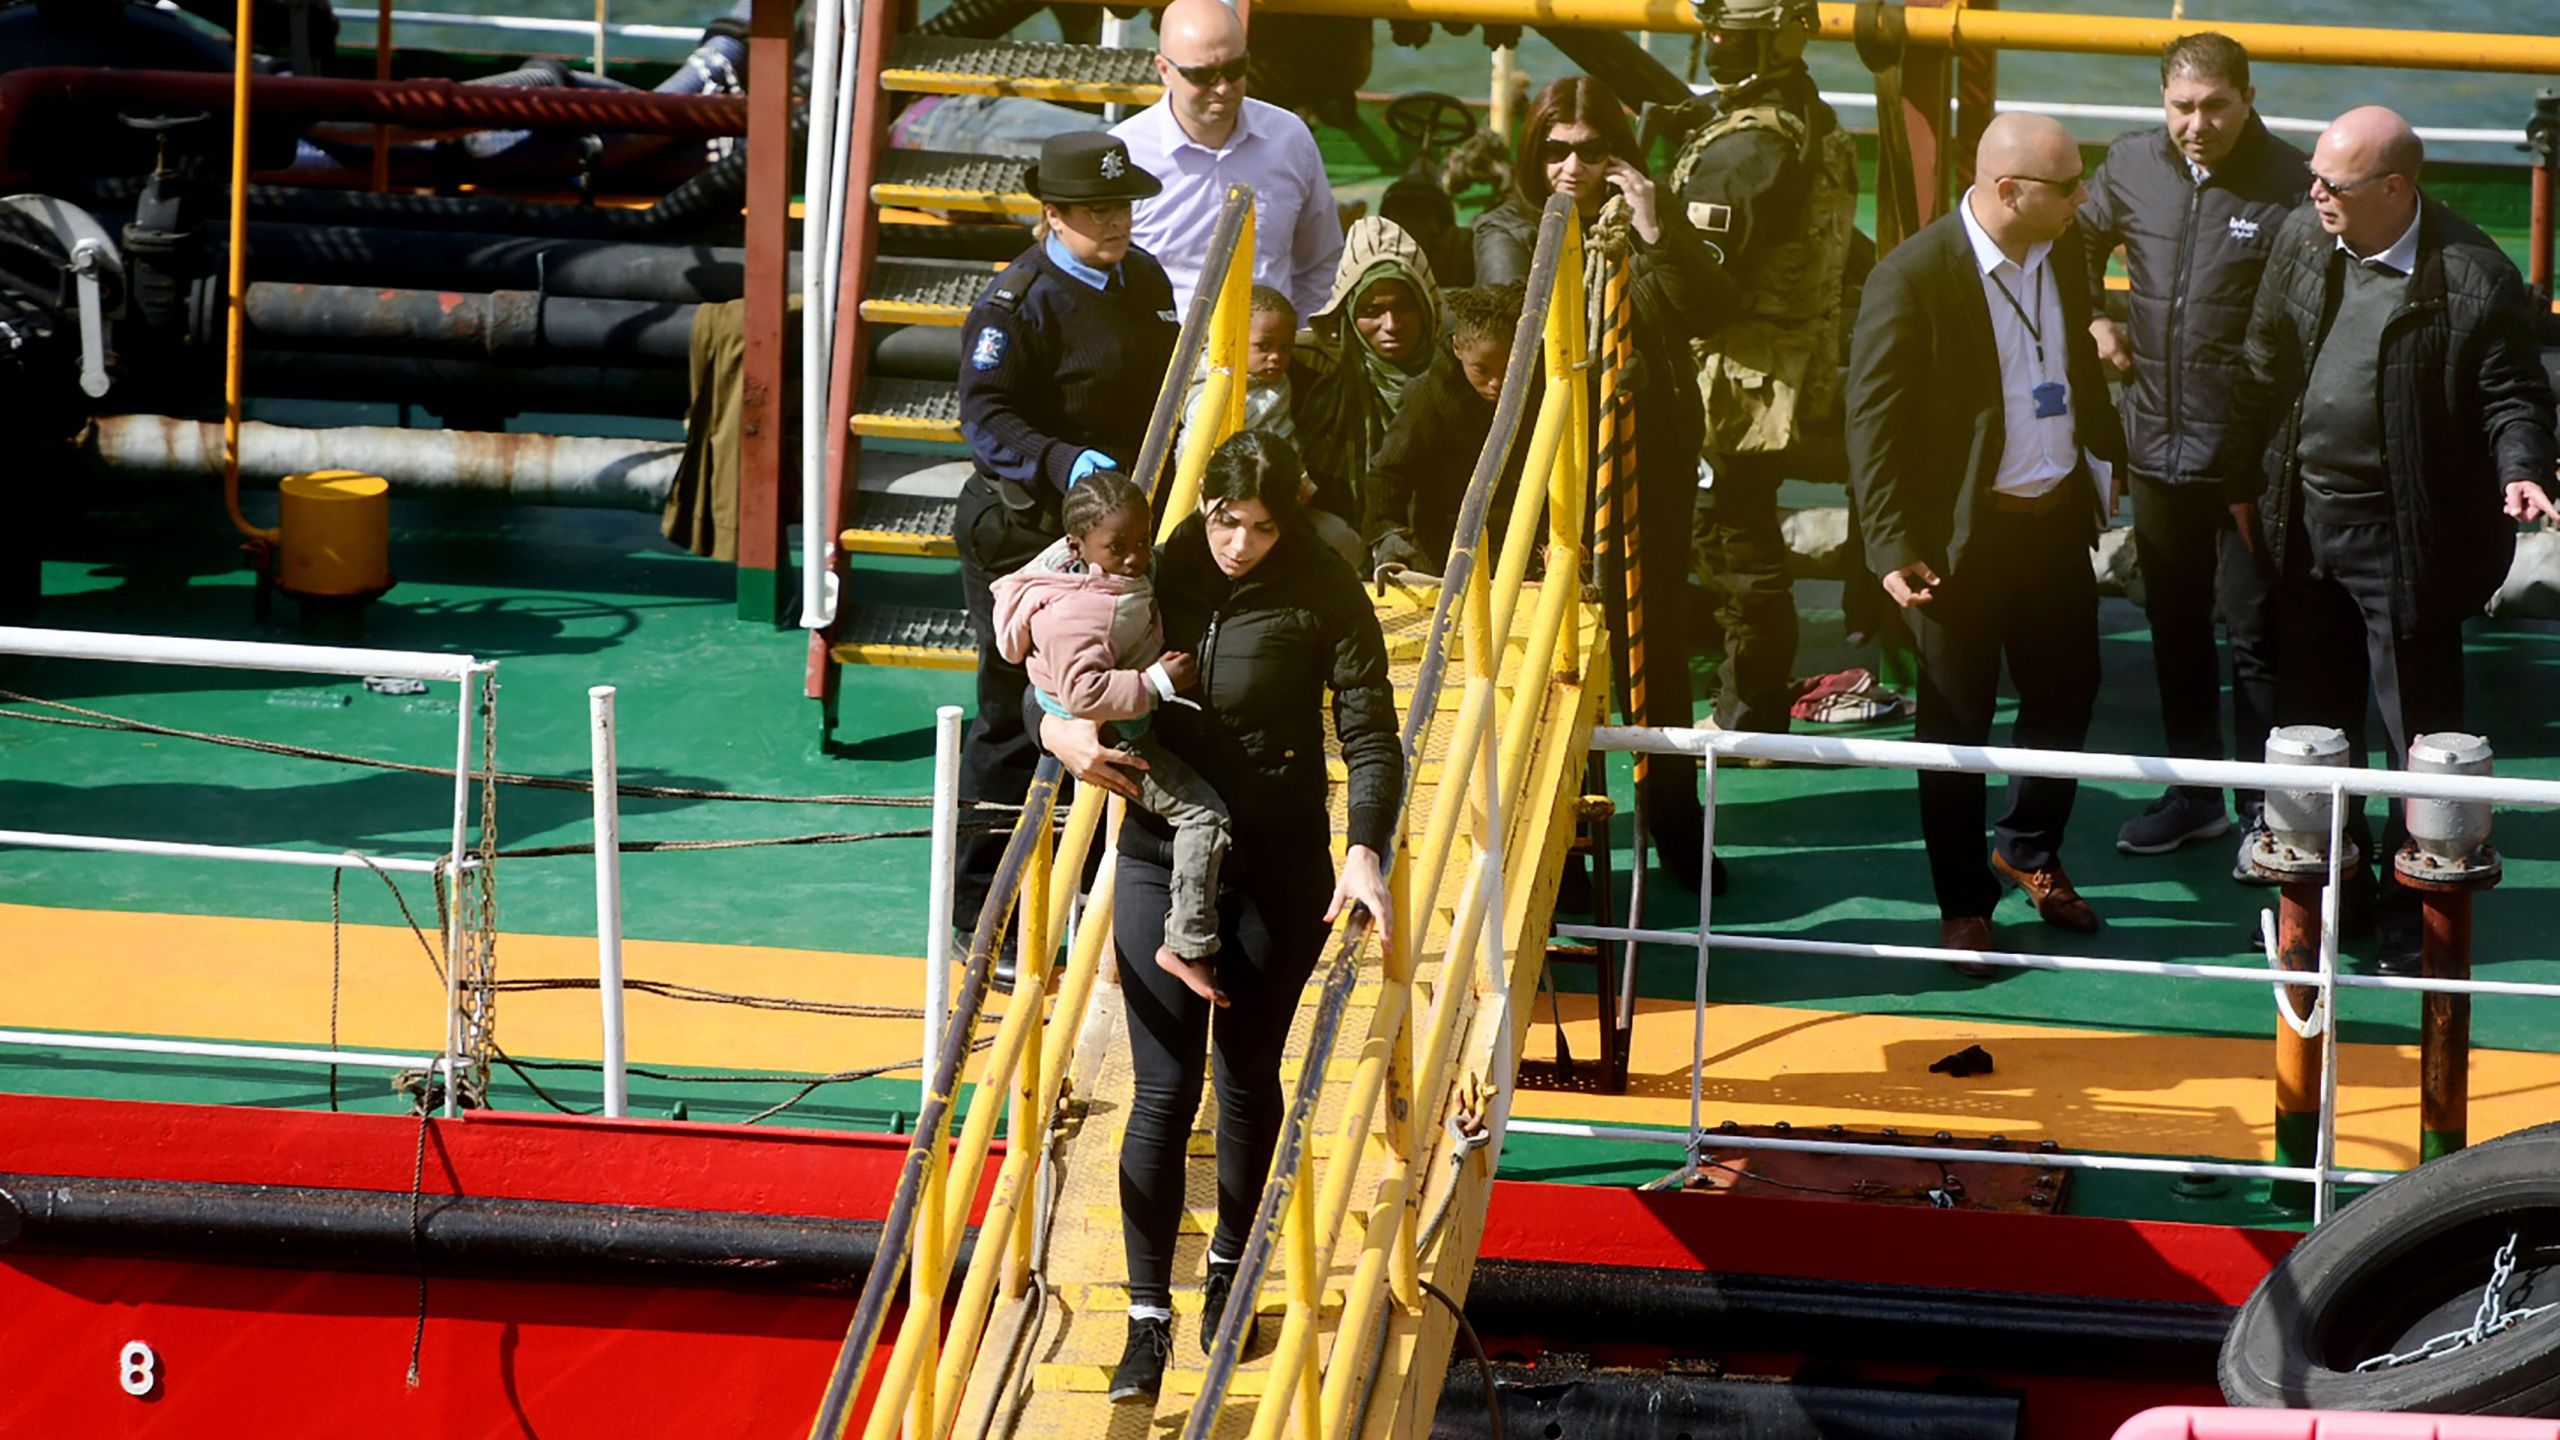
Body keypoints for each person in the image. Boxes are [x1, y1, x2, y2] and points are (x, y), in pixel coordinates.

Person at [1033, 431, 1401, 1404]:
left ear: (1291, 518)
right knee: (1161, 1092)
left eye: (1261, 526)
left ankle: (1232, 1275)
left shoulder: (1324, 590)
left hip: (1277, 867)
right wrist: (1056, 729)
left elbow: (1370, 731)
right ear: (1200, 511)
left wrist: (1365, 845)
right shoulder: (1146, 565)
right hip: (1160, 855)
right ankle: (1147, 1318)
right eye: (1223, 522)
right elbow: (1045, 645)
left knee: (1243, 1084)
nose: (1239, 544)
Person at [2231, 105, 2559, 973]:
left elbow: (2512, 397)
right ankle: (2327, 893)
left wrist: (2522, 470)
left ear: (2393, 189)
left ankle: (2417, 913)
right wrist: (2234, 482)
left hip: (2404, 542)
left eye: (2332, 184)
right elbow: (2264, 364)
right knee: (2317, 725)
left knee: (2415, 729)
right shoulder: (2306, 238)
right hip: (2305, 526)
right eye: (2314, 177)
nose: (2313, 195)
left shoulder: (2473, 278)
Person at [1846, 112, 2126, 969]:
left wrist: (2105, 462)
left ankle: (2029, 849)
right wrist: (1891, 545)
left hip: (2050, 525)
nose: (2085, 198)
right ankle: (1964, 900)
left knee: (2068, 693)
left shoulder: (2064, 253)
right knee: (1954, 726)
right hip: (1960, 543)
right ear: (2010, 193)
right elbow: (1872, 420)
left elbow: (2072, 370)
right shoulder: (1913, 276)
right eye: (2068, 185)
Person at [1474, 74, 1737, 890]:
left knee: (1655, 657)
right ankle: (1574, 854)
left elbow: (1710, 309)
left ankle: (1677, 834)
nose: (1573, 167)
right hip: (1550, 480)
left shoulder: (1640, 231)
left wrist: (1658, 230)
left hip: (1643, 470)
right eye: (1556, 150)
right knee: (1560, 663)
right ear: (1534, 152)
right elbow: (1518, 336)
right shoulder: (1508, 231)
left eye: (1591, 152)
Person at [2077, 33, 2308, 873]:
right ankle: (2194, 794)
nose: (2197, 124)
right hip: (2154, 441)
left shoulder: (2290, 183)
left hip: (2248, 456)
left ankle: (2264, 805)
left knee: (2256, 634)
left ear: (2248, 98)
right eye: (2181, 108)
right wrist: (2094, 321)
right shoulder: (2130, 163)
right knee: (2172, 621)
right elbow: (2072, 243)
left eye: (2214, 106)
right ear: (2161, 105)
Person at [950, 131, 1180, 972]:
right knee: (1020, 713)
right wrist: (1061, 462)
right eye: (1096, 210)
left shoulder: (1144, 280)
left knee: (1109, 701)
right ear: (1052, 215)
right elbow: (987, 417)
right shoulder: (1016, 305)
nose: (1115, 222)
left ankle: (1085, 885)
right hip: (1027, 533)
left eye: (1122, 205)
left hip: (1113, 536)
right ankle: (984, 915)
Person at [1671, 0, 1859, 737]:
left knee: (1734, 550)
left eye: (1728, 35)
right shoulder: (1803, 116)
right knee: (1734, 541)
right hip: (1775, 368)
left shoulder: (1750, 150)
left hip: (1736, 386)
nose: (1715, 47)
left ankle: (1748, 717)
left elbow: (1693, 281)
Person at [990, 474, 1233, 1005]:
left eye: (1143, 542)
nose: (1135, 557)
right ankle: (1188, 940)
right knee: (1203, 816)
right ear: (1079, 547)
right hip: (1122, 739)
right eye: (1118, 548)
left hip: (1104, 722)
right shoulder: (1088, 611)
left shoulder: (1072, 573)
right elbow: (1083, 693)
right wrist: (1156, 683)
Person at [1113, 0, 1343, 324]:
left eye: (1235, 70)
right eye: (1202, 74)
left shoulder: (1290, 139)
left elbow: (1321, 262)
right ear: (1164, 70)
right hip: (1162, 359)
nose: (1221, 87)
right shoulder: (1127, 152)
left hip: (1267, 361)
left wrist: (1303, 344)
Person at [1364, 281, 1530, 572]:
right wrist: (1388, 533)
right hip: (1444, 551)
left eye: (1510, 369)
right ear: (1457, 349)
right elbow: (1387, 473)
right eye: (1482, 370)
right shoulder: (1426, 398)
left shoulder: (1543, 385)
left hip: (1525, 544)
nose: (1497, 383)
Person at [1292, 216, 1444, 532]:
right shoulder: (1308, 371)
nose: (1390, 325)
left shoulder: (1463, 376)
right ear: (1348, 313)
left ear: (1426, 310)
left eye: (1403, 307)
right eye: (1371, 311)